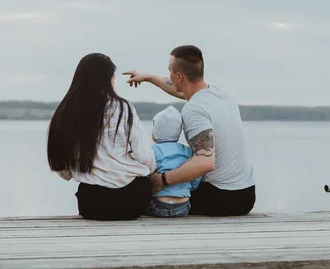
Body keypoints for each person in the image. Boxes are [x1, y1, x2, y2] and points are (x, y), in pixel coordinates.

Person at [124, 45, 255, 216]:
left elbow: (205, 162)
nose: (169, 75)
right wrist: (149, 77)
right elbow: (183, 90)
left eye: (170, 71)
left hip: (221, 198)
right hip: (247, 195)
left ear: (179, 76)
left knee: (143, 190)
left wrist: (162, 180)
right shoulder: (221, 93)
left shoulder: (194, 110)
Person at [47, 53, 156, 221]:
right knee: (143, 184)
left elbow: (64, 172)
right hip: (131, 201)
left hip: (92, 204)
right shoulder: (122, 108)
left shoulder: (67, 112)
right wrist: (153, 170)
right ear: (108, 79)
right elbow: (143, 155)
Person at [148, 106, 201, 218]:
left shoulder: (153, 151)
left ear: (156, 131)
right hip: (183, 207)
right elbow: (196, 176)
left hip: (158, 206)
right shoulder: (187, 151)